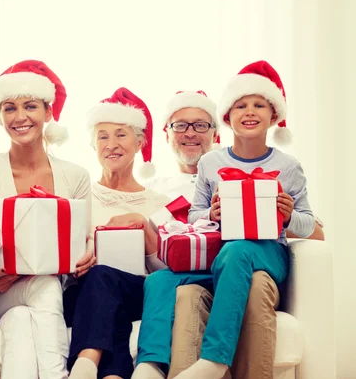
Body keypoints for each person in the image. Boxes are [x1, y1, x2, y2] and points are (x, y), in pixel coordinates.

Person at [135, 60, 316, 379]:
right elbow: (194, 217)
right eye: (241, 105)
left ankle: (216, 359)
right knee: (161, 279)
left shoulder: (288, 166)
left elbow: (310, 226)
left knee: (239, 249)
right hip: (221, 256)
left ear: (273, 116)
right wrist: (211, 214)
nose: (250, 111)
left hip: (268, 254)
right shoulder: (210, 163)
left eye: (259, 104)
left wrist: (287, 217)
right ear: (227, 119)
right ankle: (150, 365)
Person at [0, 59, 94, 379]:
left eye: (30, 106)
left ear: (48, 113)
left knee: (20, 319)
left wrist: (90, 255)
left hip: (48, 296)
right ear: (0, 116)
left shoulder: (75, 176)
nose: (20, 117)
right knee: (45, 286)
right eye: (9, 108)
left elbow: (84, 241)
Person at [65, 87, 171, 379]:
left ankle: (85, 366)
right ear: (94, 146)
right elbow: (62, 252)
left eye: (121, 134)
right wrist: (76, 262)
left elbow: (164, 270)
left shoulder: (159, 202)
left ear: (140, 142)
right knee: (100, 280)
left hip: (138, 292)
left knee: (105, 279)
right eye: (103, 136)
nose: (111, 144)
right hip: (84, 291)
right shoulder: (78, 195)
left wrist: (144, 225)